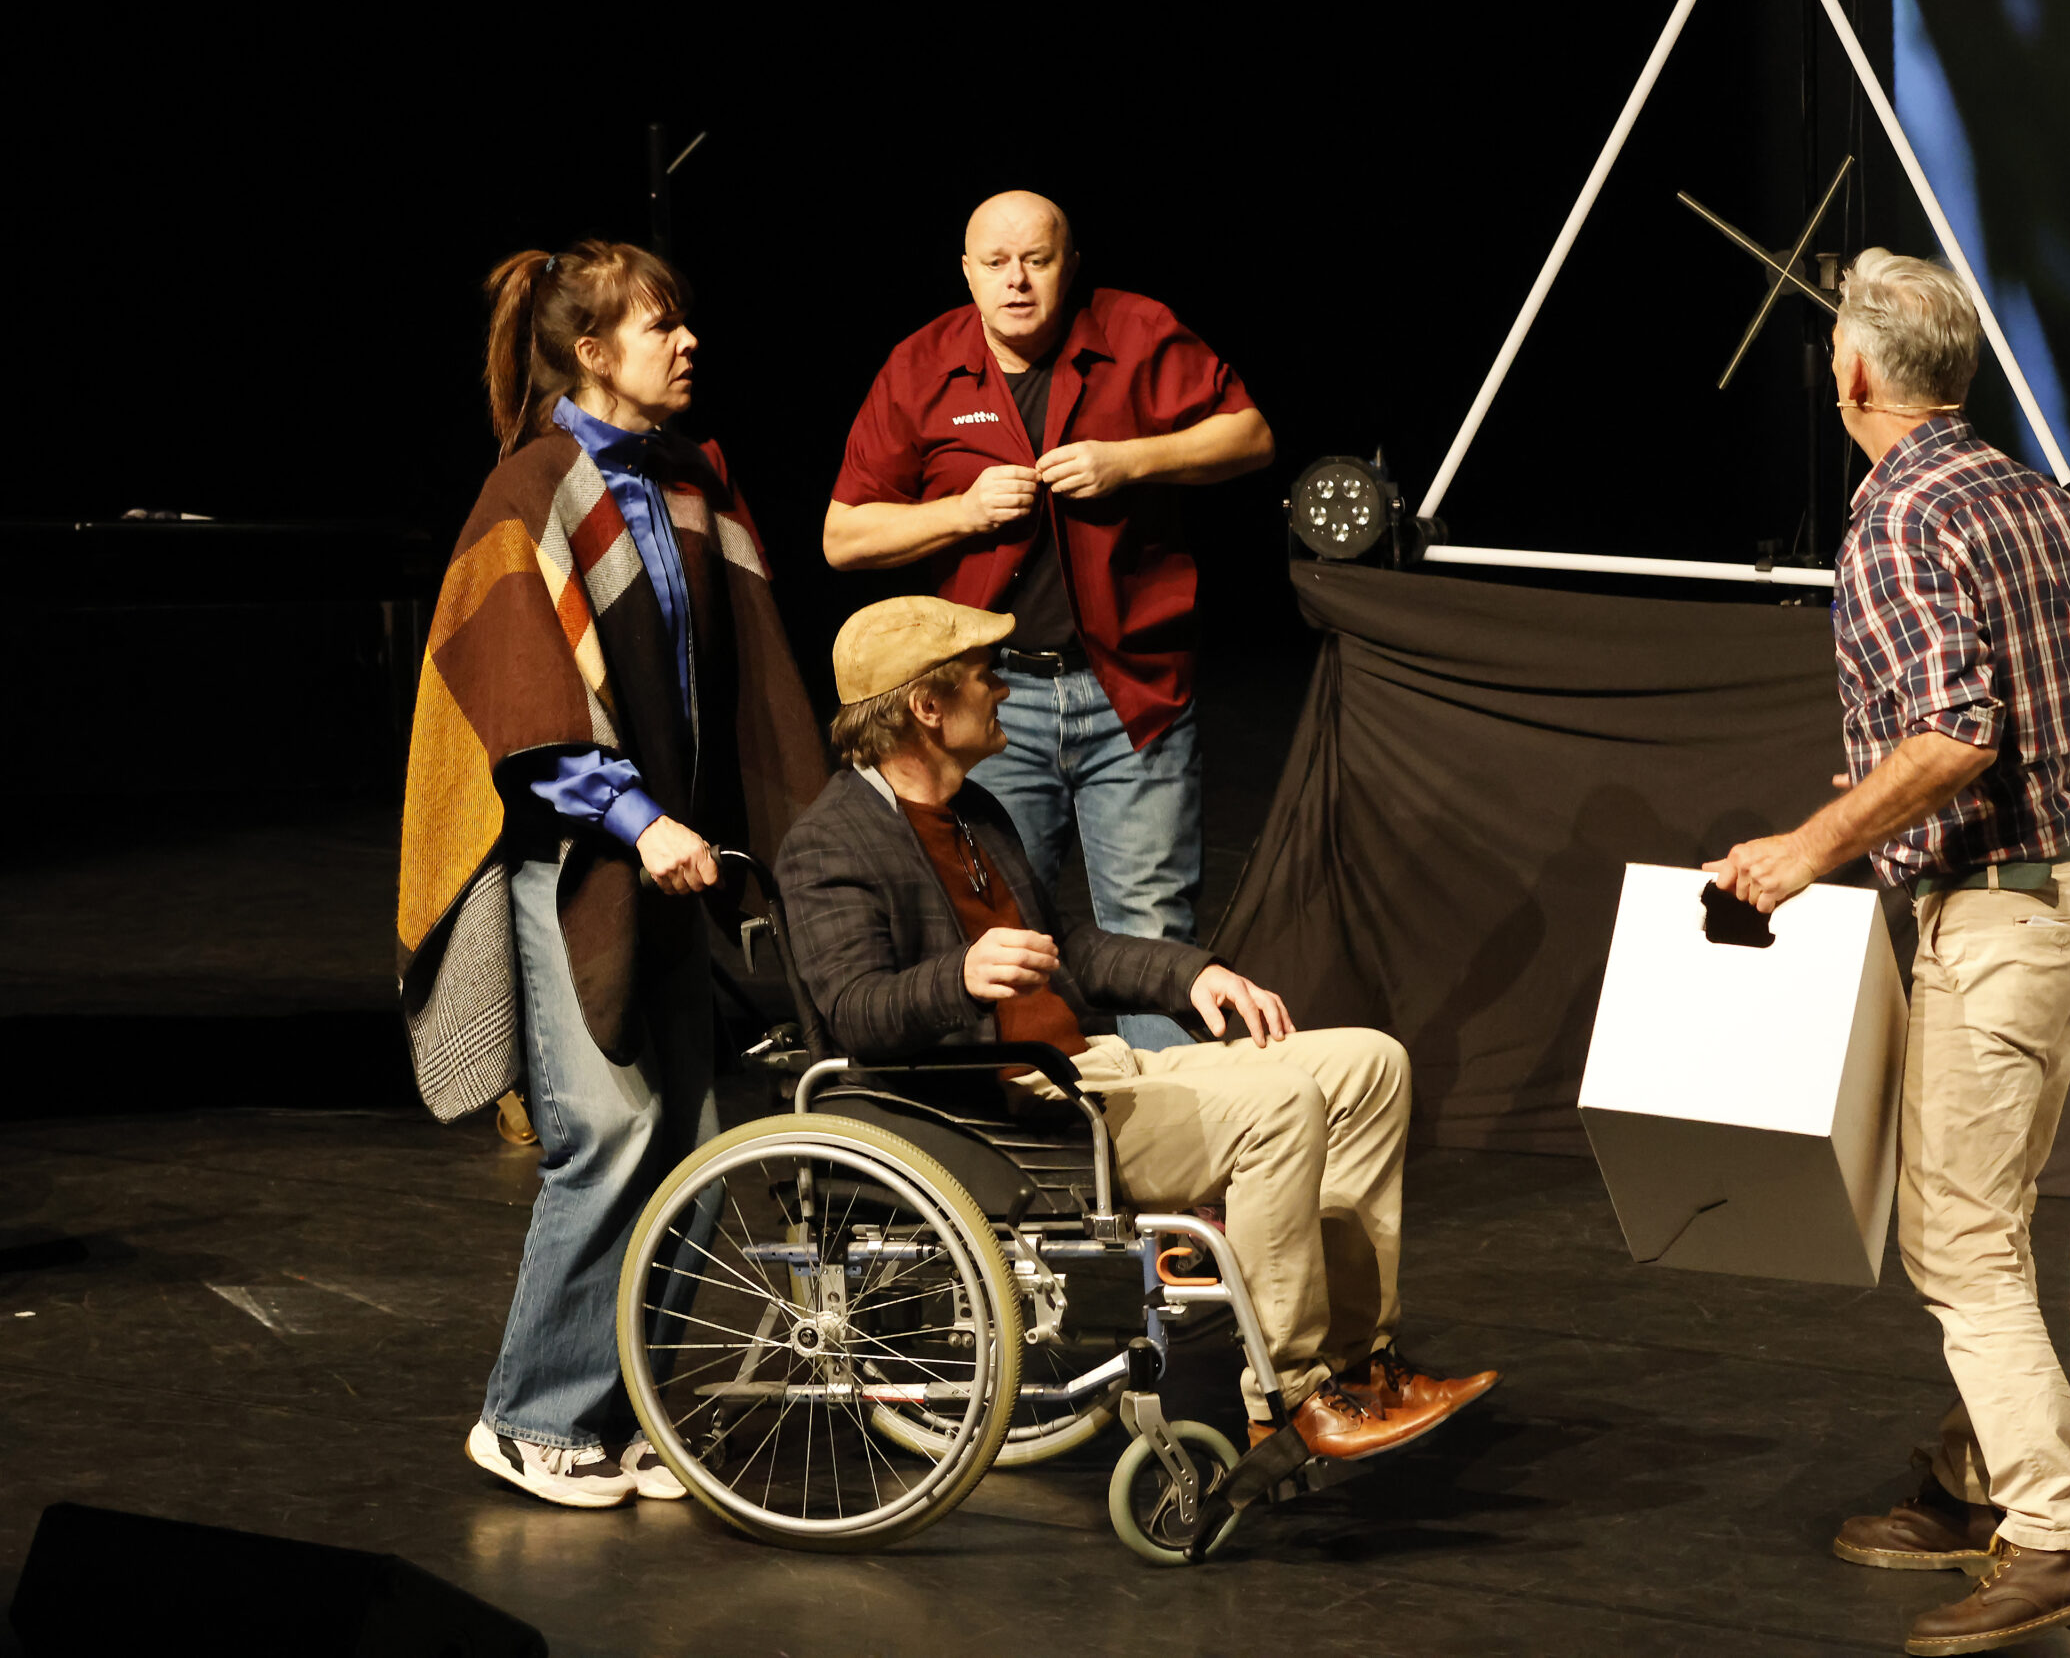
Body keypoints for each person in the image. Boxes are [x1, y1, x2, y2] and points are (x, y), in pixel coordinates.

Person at [776, 595, 1496, 1460]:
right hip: (1000, 1109)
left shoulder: (978, 814)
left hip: (1092, 1066)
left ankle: (1364, 1361)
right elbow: (853, 1009)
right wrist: (958, 977)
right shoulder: (831, 843)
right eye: (982, 677)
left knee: (1371, 1063)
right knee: (1282, 1104)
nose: (1002, 690)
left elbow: (1071, 948)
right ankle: (1292, 1394)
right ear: (926, 707)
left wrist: (1196, 973)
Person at [1704, 251, 2070, 1654]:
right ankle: (1973, 1474)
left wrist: (1804, 849)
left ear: (1854, 373)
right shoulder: (2026, 490)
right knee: (1984, 1211)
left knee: (1956, 1236)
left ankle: (2058, 1534)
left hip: (2005, 908)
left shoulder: (1896, 518)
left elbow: (1958, 730)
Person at [397, 239, 827, 1510]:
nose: (687, 343)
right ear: (592, 352)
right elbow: (519, 699)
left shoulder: (688, 481)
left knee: (692, 1136)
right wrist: (635, 818)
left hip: (676, 860)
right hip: (577, 857)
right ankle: (527, 1416)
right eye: (660, 325)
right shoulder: (534, 486)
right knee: (614, 1128)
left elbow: (741, 679)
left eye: (683, 322)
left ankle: (616, 1407)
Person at [820, 191, 1272, 1050]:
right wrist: (962, 511)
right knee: (988, 936)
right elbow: (843, 536)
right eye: (995, 264)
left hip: (1131, 692)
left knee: (1150, 934)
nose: (1017, 281)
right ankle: (1013, 1157)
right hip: (988, 706)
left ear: (1071, 264)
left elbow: (1248, 435)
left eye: (1037, 260)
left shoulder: (1135, 332)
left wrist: (1131, 460)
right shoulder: (922, 366)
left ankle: (1171, 1168)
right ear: (967, 272)